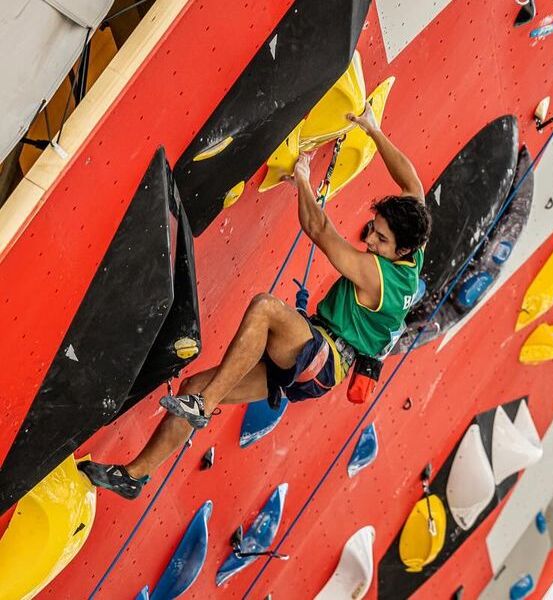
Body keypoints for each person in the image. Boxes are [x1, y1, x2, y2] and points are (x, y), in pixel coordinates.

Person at [79, 105, 432, 499]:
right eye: (374, 232)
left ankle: (203, 404)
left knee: (265, 308)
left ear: (400, 246)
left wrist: (301, 178)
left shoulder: (377, 274)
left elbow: (317, 228)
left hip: (323, 355)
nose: (369, 241)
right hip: (318, 361)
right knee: (195, 383)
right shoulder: (411, 251)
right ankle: (134, 476)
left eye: (380, 240)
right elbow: (411, 180)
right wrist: (372, 129)